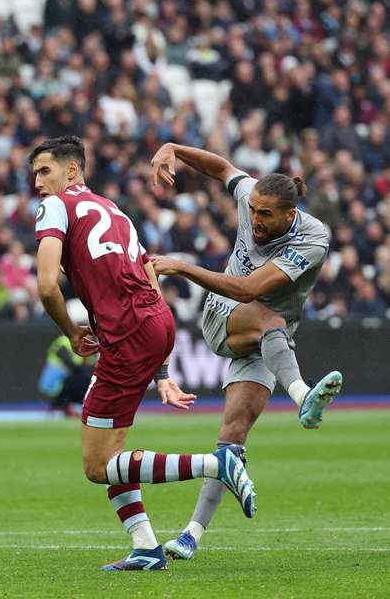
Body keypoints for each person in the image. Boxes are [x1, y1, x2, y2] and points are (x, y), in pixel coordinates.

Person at [31, 135, 255, 571]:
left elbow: (44, 285)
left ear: (72, 171)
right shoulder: (114, 210)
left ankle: (217, 463)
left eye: (45, 171)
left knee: (98, 466)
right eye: (35, 174)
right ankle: (147, 547)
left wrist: (72, 332)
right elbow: (149, 270)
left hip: (127, 333)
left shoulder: (57, 207)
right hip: (155, 321)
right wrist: (161, 369)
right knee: (113, 449)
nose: (38, 182)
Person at [147, 142, 343, 560]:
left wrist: (182, 266)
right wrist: (173, 149)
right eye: (252, 209)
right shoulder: (252, 194)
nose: (254, 219)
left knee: (231, 439)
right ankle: (303, 397)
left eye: (265, 214)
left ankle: (190, 535)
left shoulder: (312, 239)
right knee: (271, 320)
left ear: (289, 215)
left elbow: (254, 289)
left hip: (268, 341)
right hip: (225, 316)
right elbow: (220, 167)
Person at [38, 300, 98, 416]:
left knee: (88, 377)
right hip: (54, 384)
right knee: (81, 376)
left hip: (70, 383)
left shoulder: (90, 345)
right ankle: (65, 407)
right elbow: (72, 366)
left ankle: (82, 406)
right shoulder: (63, 342)